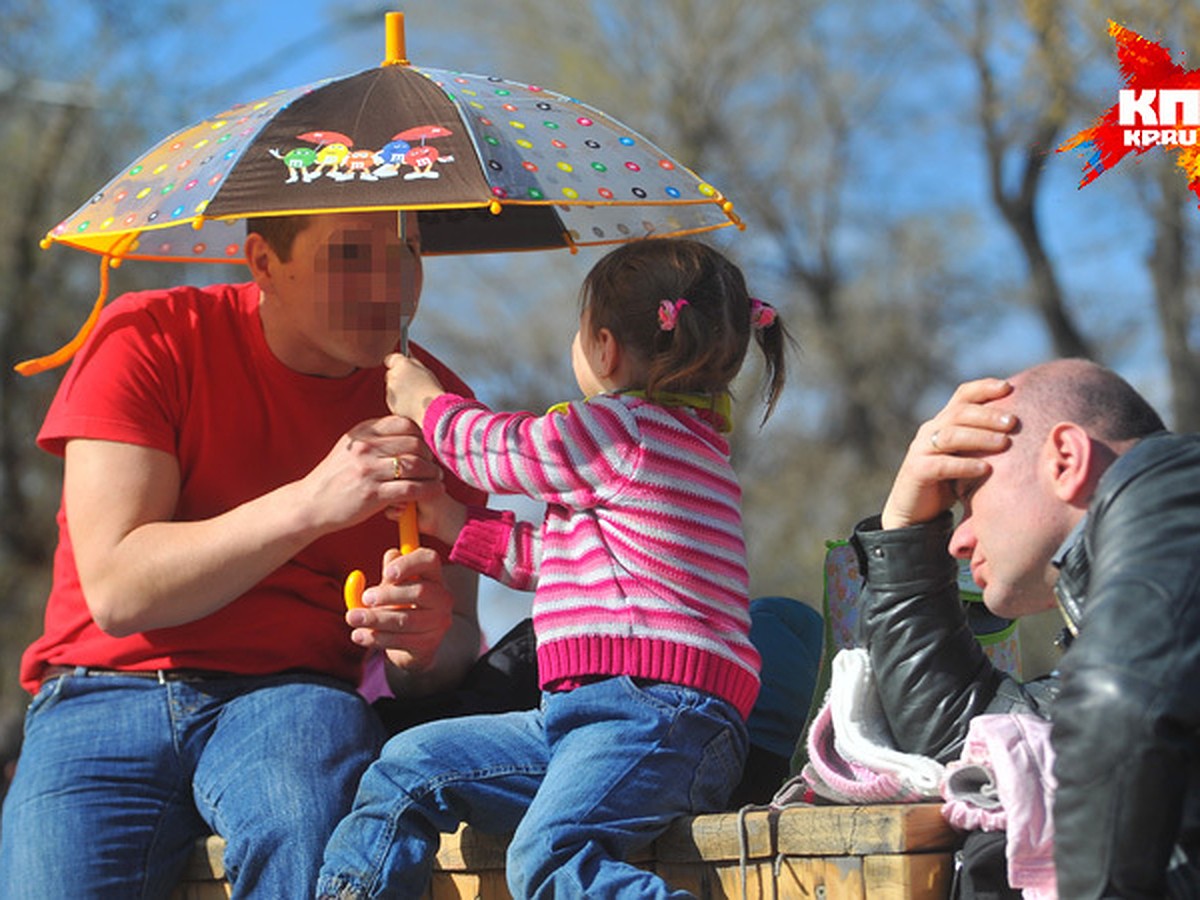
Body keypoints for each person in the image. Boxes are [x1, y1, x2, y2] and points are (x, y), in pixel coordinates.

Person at [0, 210, 489, 899]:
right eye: (348, 254)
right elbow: (117, 590)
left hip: (292, 696)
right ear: (262, 262)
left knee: (305, 823)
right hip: (100, 689)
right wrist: (311, 502)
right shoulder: (150, 335)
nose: (387, 283)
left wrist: (423, 652)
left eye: (404, 250)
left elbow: (457, 640)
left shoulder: (444, 410)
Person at [316, 237, 791, 899]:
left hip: (653, 712)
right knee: (406, 766)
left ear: (603, 346)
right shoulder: (673, 454)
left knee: (551, 858)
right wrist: (445, 519)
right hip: (589, 717)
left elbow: (505, 453)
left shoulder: (623, 430)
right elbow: (556, 558)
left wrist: (426, 403)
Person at [851, 358, 1200, 898]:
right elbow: (969, 741)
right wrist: (905, 531)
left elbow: (1120, 714)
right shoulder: (1145, 609)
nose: (957, 541)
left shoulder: (1173, 486)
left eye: (968, 500)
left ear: (1064, 458)